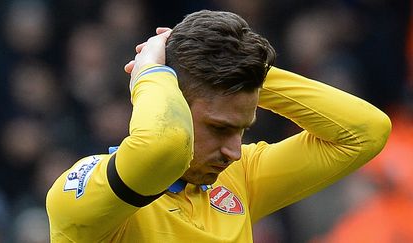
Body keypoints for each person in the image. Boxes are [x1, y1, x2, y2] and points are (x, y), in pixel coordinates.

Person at [46, 10, 391, 242]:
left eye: (242, 130)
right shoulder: (88, 196)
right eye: (220, 128)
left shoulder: (237, 181)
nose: (234, 152)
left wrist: (245, 72)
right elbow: (162, 146)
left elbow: (364, 131)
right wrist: (150, 71)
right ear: (171, 100)